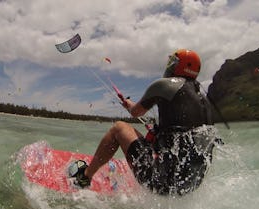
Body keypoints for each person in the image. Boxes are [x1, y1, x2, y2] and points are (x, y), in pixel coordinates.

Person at [69, 49, 217, 196]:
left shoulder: (165, 85)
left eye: (173, 62)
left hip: (162, 182)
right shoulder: (206, 101)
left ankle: (84, 177)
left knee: (119, 128)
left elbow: (136, 112)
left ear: (178, 66)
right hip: (191, 185)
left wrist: (128, 104)